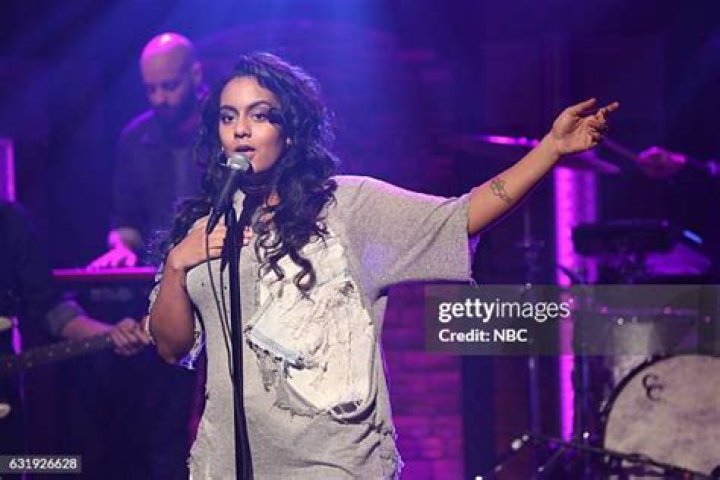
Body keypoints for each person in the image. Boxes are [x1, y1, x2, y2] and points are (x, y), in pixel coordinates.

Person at [146, 52, 618, 478]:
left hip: (332, 463)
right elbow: (172, 347)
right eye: (229, 117)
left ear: (289, 131)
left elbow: (462, 216)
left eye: (260, 115)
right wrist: (175, 265)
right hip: (226, 462)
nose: (241, 130)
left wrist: (549, 150)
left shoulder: (345, 208)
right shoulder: (203, 229)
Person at [0, 200, 150, 454]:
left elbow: (51, 310)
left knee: (31, 465)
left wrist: (110, 333)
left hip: (5, 417)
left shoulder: (8, 222)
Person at [90, 32, 206, 268]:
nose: (159, 98)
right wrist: (122, 248)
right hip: (156, 272)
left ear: (195, 74)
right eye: (151, 89)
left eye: (169, 86)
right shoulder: (135, 138)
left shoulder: (225, 126)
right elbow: (126, 220)